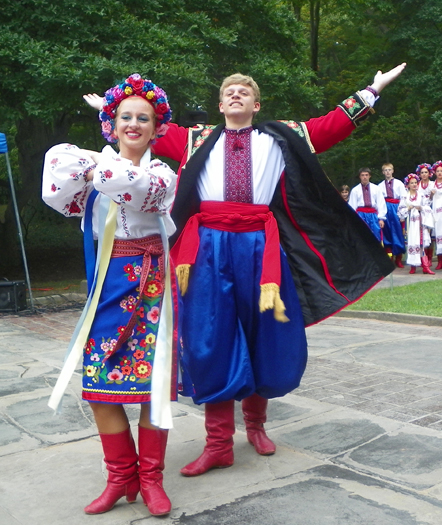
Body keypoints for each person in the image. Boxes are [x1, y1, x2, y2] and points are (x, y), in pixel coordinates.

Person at [84, 63, 405, 478]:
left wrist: (372, 90)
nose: (236, 95)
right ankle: (217, 444)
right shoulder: (194, 138)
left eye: (244, 92)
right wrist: (110, 107)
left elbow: (331, 126)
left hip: (261, 246)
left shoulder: (282, 136)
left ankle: (255, 427)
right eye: (229, 91)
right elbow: (143, 125)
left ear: (256, 104)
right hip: (207, 249)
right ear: (219, 104)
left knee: (264, 334)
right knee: (210, 339)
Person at [43, 74, 178, 516]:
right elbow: (58, 183)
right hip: (107, 284)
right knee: (100, 386)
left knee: (152, 385)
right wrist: (89, 159)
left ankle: (152, 479)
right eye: (125, 116)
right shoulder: (92, 172)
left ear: (158, 127)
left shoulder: (161, 173)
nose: (134, 123)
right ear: (111, 124)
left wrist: (94, 159)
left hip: (151, 283)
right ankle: (121, 477)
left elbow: (134, 188)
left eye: (144, 117)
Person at [397, 173, 434, 274]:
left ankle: (425, 266)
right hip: (410, 223)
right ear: (407, 185)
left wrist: (421, 208)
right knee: (411, 243)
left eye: (415, 183)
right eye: (411, 183)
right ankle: (412, 266)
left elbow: (428, 207)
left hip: (419, 223)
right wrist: (408, 209)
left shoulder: (421, 195)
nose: (414, 184)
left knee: (421, 244)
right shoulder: (405, 197)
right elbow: (400, 211)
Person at [378, 163, 406, 267]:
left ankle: (399, 258)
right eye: (385, 170)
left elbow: (403, 198)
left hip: (396, 207)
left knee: (398, 232)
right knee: (387, 232)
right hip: (386, 208)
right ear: (383, 172)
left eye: (389, 170)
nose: (388, 172)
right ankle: (390, 257)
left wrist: (402, 214)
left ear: (393, 171)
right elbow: (379, 201)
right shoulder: (380, 186)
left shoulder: (399, 183)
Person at [348, 167, 387, 241]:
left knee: (375, 235)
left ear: (369, 176)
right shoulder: (355, 190)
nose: (364, 177)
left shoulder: (376, 188)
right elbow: (352, 206)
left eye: (366, 175)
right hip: (360, 215)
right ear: (359, 177)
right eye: (362, 175)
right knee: (361, 235)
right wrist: (353, 219)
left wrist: (381, 218)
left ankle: (376, 251)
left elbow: (381, 203)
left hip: (373, 215)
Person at [430, 160, 442, 270]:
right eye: (437, 171)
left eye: (441, 171)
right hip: (436, 213)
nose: (439, 173)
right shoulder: (432, 185)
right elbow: (427, 201)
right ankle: (439, 261)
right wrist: (431, 195)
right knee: (437, 236)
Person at [416, 163, 435, 265]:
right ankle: (425, 257)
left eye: (425, 172)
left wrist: (432, 195)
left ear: (429, 173)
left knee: (431, 234)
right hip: (421, 212)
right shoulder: (417, 185)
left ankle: (431, 257)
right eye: (422, 172)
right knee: (424, 234)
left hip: (431, 210)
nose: (424, 174)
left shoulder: (433, 184)